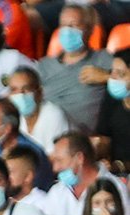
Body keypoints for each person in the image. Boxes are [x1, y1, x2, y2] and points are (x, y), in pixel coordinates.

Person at [36, 4, 112, 133]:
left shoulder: (104, 59)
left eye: (73, 25)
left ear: (90, 30)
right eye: (63, 26)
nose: (67, 31)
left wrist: (106, 77)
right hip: (47, 137)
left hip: (84, 139)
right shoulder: (43, 66)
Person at [45, 132, 130, 215]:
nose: (55, 168)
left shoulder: (115, 186)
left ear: (80, 158)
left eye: (59, 160)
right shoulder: (57, 191)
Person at [6, 67, 70, 155]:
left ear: (39, 92)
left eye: (26, 89)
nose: (20, 94)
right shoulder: (13, 117)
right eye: (14, 90)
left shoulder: (53, 115)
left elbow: (55, 157)